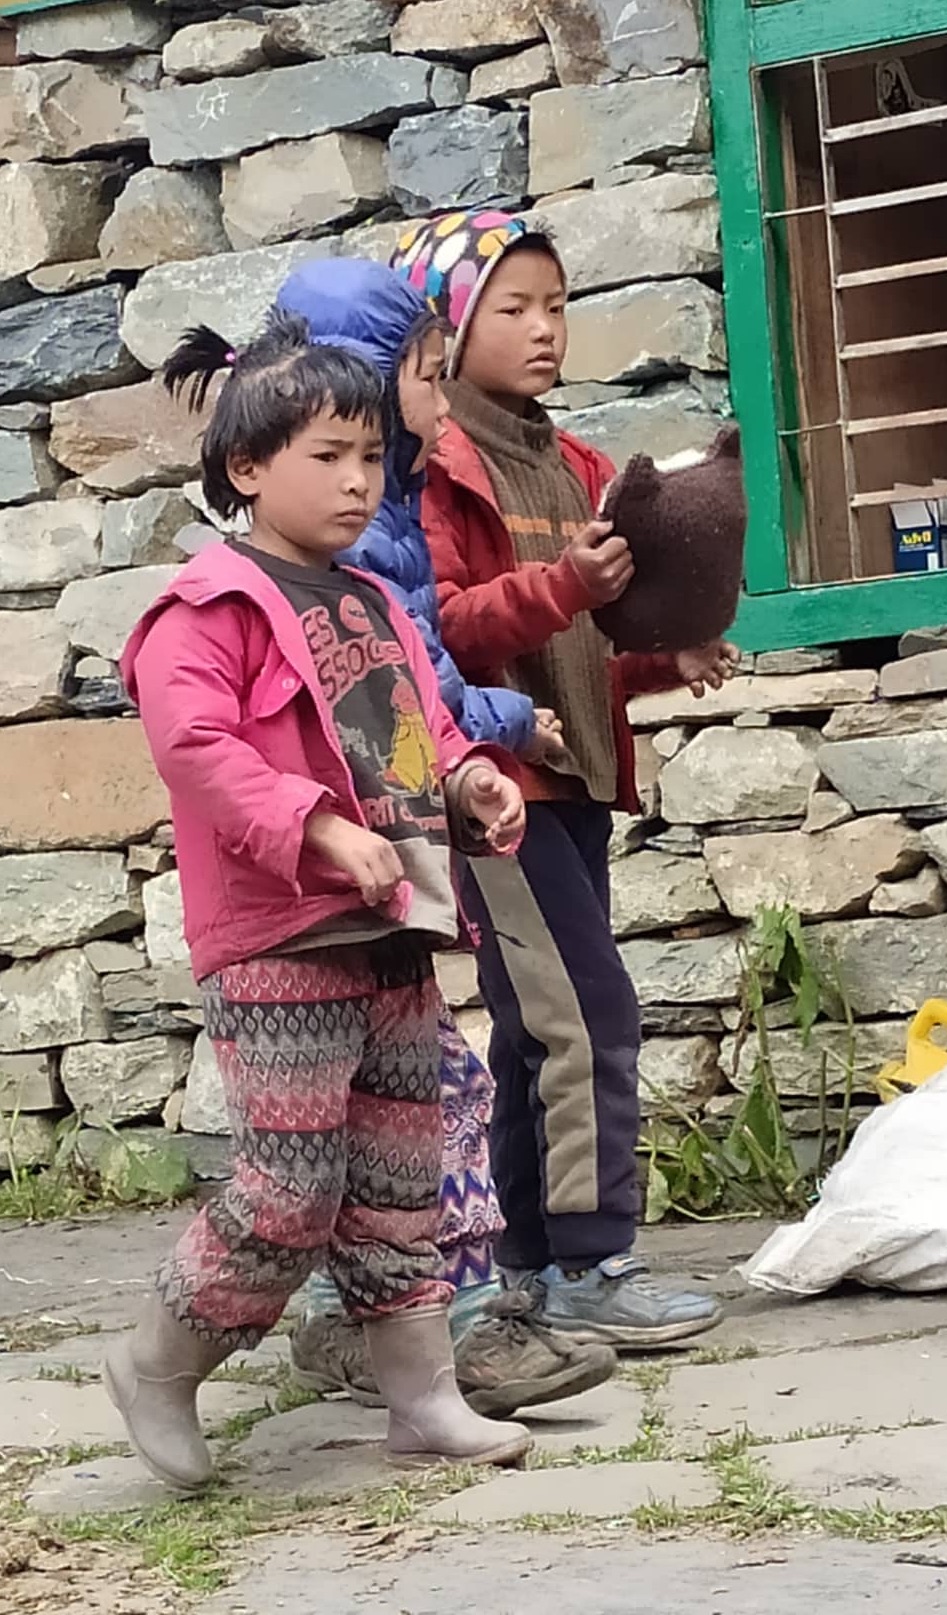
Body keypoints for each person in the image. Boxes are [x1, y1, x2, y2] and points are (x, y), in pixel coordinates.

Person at [107, 309, 535, 1493]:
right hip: (279, 935)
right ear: (245, 468)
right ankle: (161, 1356)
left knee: (400, 1175)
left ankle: (423, 1399)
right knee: (292, 1182)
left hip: (392, 925)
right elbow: (196, 747)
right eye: (326, 458)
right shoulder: (207, 608)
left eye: (369, 459)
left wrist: (471, 779)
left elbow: (425, 727)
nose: (358, 483)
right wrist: (315, 826)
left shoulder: (375, 603)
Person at [272, 256, 616, 1415]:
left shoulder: (396, 517)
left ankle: (404, 1316)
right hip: (332, 876)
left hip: (407, 845)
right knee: (360, 1121)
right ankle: (413, 1311)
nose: (431, 408)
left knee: (422, 1090)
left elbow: (413, 683)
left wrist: (473, 758)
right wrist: (503, 724)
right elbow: (387, 701)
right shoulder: (315, 561)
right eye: (423, 377)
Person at [393, 210, 739, 1347]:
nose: (545, 330)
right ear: (447, 325)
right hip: (497, 792)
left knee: (538, 1025)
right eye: (514, 308)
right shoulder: (436, 472)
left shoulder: (581, 463)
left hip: (575, 785)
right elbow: (442, 635)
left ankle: (525, 1260)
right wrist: (563, 589)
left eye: (556, 305)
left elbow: (583, 647)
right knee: (588, 1013)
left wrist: (658, 656)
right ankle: (595, 1265)